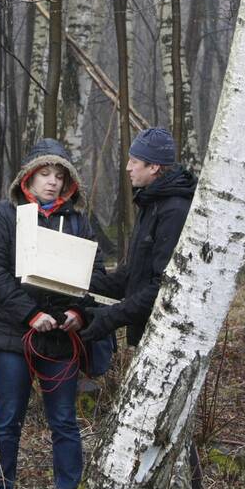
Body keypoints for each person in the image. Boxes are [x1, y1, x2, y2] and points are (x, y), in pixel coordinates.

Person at [0, 139, 105, 489]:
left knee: (64, 419)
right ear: (28, 176)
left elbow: (94, 273)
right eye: (45, 174)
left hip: (61, 339)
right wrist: (30, 313)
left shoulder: (79, 221)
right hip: (11, 335)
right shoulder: (4, 215)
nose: (52, 182)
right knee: (9, 414)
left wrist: (78, 313)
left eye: (59, 176)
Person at [78, 127, 198, 344]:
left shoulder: (175, 211)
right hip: (146, 331)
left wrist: (112, 316)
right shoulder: (150, 202)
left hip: (167, 338)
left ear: (153, 166)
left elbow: (165, 286)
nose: (127, 168)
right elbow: (135, 272)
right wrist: (83, 288)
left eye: (134, 161)